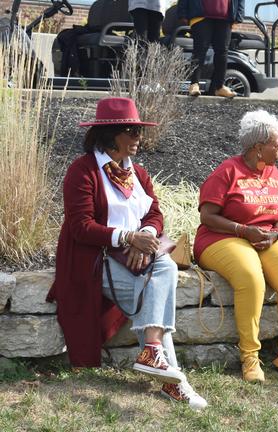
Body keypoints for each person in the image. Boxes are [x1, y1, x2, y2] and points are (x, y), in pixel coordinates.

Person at [46, 97, 207, 409]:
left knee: (162, 274)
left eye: (139, 131)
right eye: (132, 131)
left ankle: (154, 355)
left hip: (136, 262)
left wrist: (145, 237)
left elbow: (155, 214)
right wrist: (128, 238)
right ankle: (174, 381)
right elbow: (80, 227)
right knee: (155, 290)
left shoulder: (138, 174)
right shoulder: (82, 172)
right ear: (112, 134)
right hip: (92, 264)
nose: (139, 137)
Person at [195, 110, 278, 382]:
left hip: (267, 236)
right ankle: (250, 358)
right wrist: (244, 230)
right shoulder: (227, 171)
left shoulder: (273, 172)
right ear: (259, 148)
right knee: (251, 277)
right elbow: (208, 216)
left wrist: (276, 233)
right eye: (276, 143)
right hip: (223, 237)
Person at [177, 0, 244, 98]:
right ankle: (194, 85)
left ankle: (219, 87)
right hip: (200, 16)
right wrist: (182, 12)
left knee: (222, 52)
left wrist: (239, 15)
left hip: (225, 17)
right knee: (199, 51)